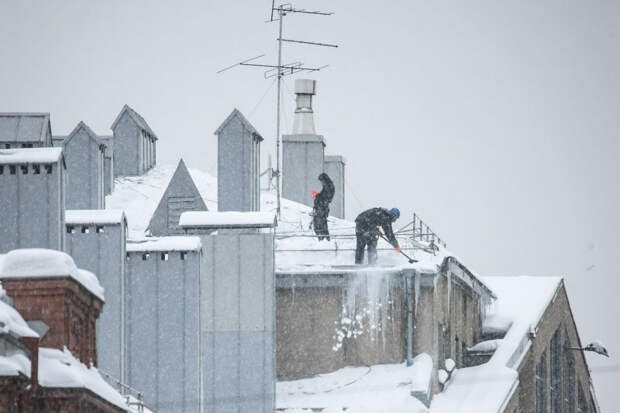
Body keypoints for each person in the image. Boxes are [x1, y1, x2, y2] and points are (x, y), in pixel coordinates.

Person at [312, 173, 335, 240]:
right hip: (321, 208)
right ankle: (322, 238)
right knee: (320, 224)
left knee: (320, 225)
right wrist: (317, 196)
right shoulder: (326, 187)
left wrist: (318, 196)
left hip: (322, 209)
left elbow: (326, 198)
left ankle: (323, 239)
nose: (321, 183)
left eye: (321, 181)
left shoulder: (329, 186)